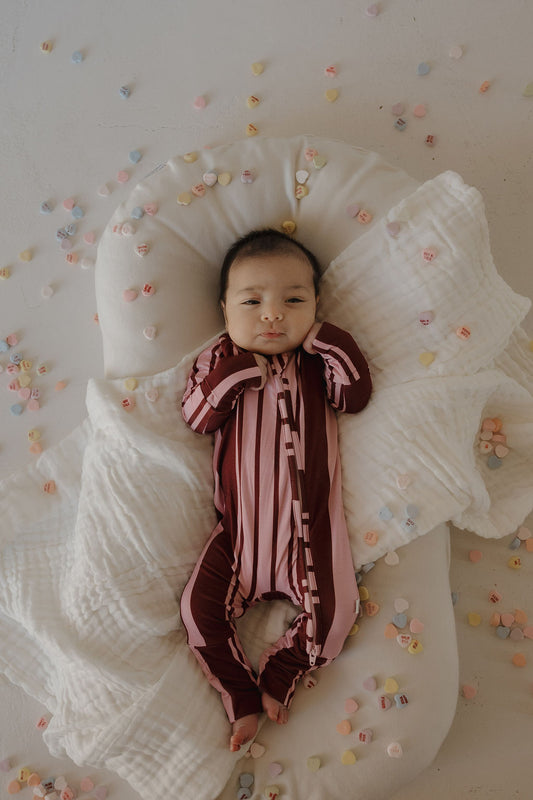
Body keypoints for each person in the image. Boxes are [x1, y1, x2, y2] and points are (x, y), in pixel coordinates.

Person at [180, 229, 372, 752]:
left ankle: (280, 673)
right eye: (252, 301)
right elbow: (196, 416)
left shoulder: (316, 365)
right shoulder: (220, 359)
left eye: (294, 300)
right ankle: (241, 696)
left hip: (310, 539)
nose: (272, 314)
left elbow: (354, 396)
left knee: (334, 623)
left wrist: (330, 340)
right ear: (225, 311)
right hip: (238, 537)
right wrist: (237, 372)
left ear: (316, 306)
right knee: (198, 615)